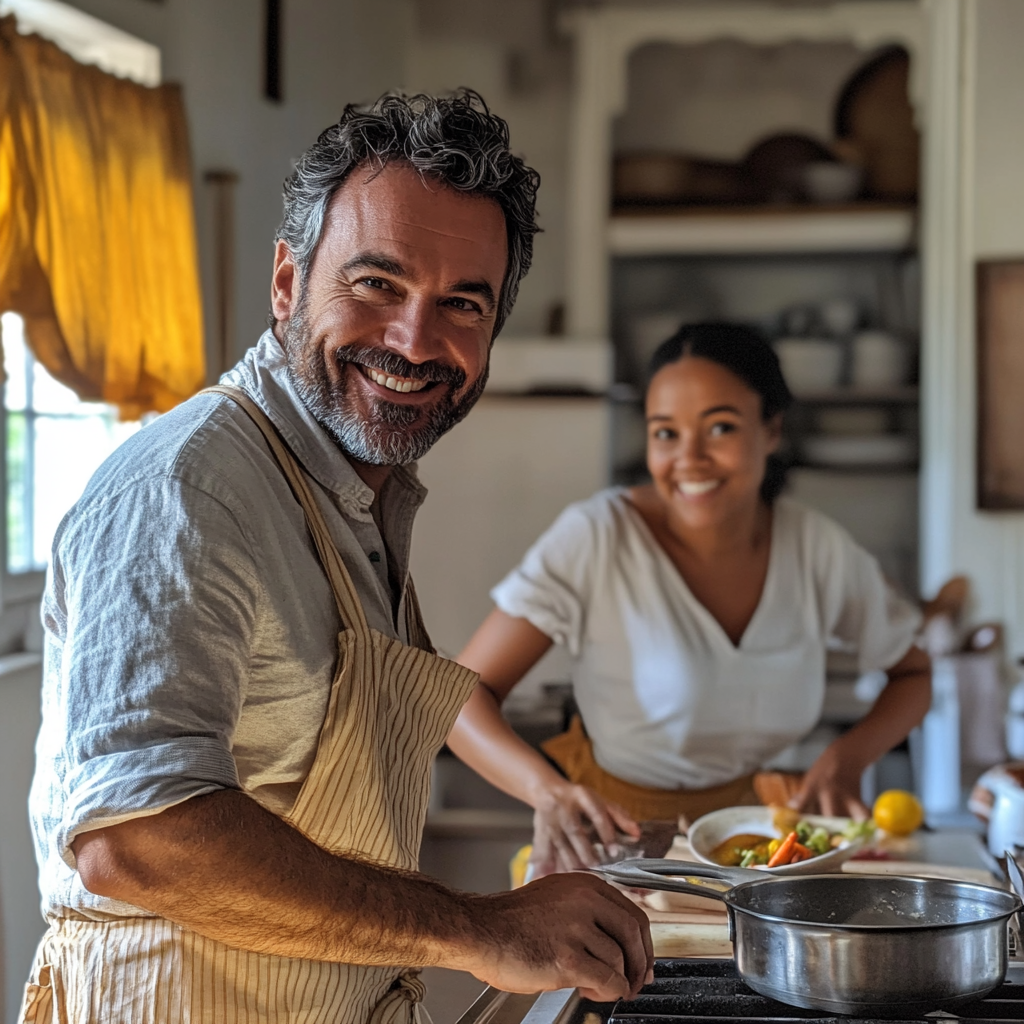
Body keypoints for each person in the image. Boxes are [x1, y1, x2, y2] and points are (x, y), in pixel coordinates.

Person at [21, 91, 653, 1024]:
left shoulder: (352, 494)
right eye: (376, 284)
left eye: (462, 305)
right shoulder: (191, 489)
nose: (413, 341)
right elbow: (137, 837)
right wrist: (476, 928)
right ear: (288, 283)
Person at [448, 322, 931, 878]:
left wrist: (846, 760)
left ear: (771, 430)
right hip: (610, 851)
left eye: (720, 427)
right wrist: (547, 791)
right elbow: (461, 697)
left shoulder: (815, 548)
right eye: (665, 433)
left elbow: (913, 674)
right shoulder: (598, 536)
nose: (689, 458)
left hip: (754, 852)